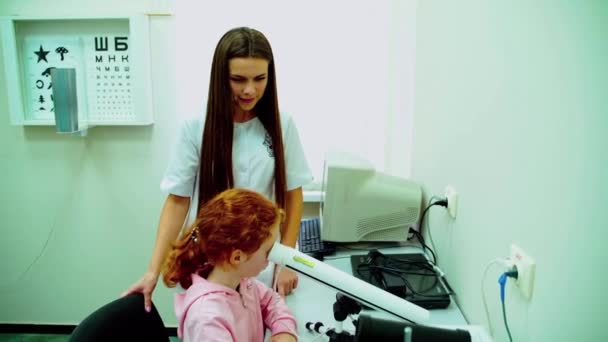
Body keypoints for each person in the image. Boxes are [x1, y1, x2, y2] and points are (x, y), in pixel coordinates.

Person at [122, 27, 312, 311]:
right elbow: (177, 200)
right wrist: (152, 270)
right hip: (213, 265)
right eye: (238, 79)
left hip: (265, 261)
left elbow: (294, 194)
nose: (250, 89)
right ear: (221, 77)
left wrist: (286, 261)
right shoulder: (195, 126)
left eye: (259, 79)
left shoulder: (282, 123)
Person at [163, 188, 297, 342]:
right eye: (268, 251)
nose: (273, 257)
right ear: (237, 257)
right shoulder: (207, 321)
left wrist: (283, 331)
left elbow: (272, 301)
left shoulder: (241, 282)